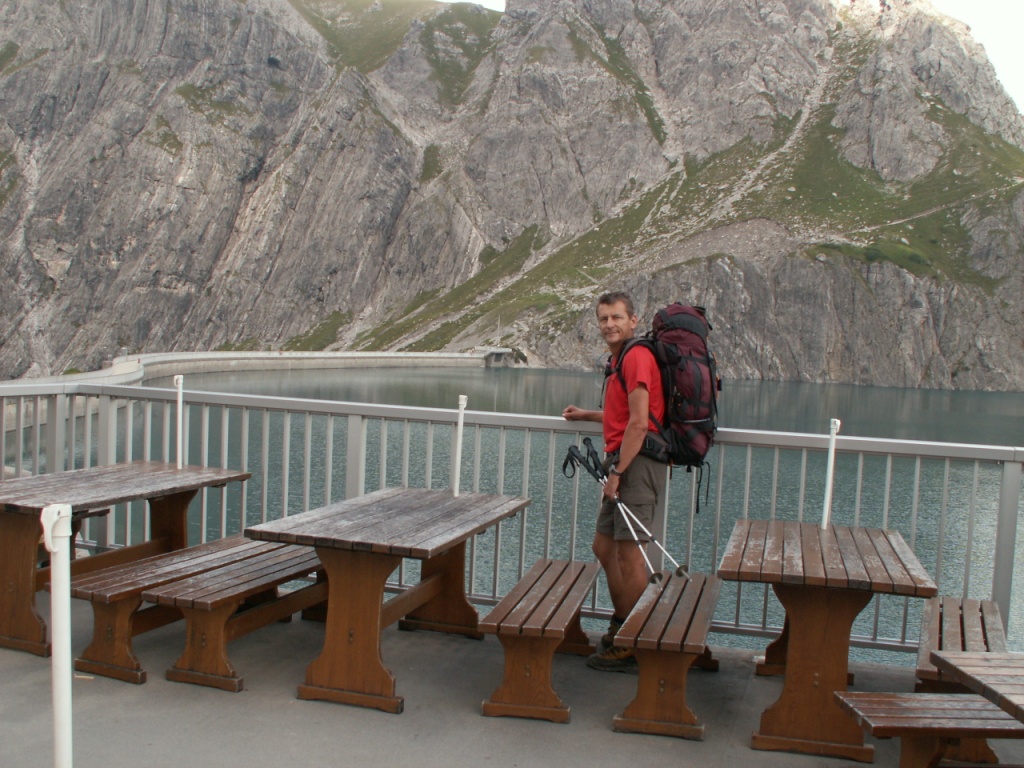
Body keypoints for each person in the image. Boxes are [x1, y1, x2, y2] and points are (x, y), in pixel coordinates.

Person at [562, 291, 667, 673]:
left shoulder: (636, 356)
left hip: (636, 464)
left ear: (633, 320)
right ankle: (624, 624)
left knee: (630, 554)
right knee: (605, 547)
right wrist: (587, 415)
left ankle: (636, 642)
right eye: (604, 318)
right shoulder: (619, 359)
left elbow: (639, 423)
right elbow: (623, 415)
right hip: (623, 461)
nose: (609, 324)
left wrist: (618, 473)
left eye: (617, 317)